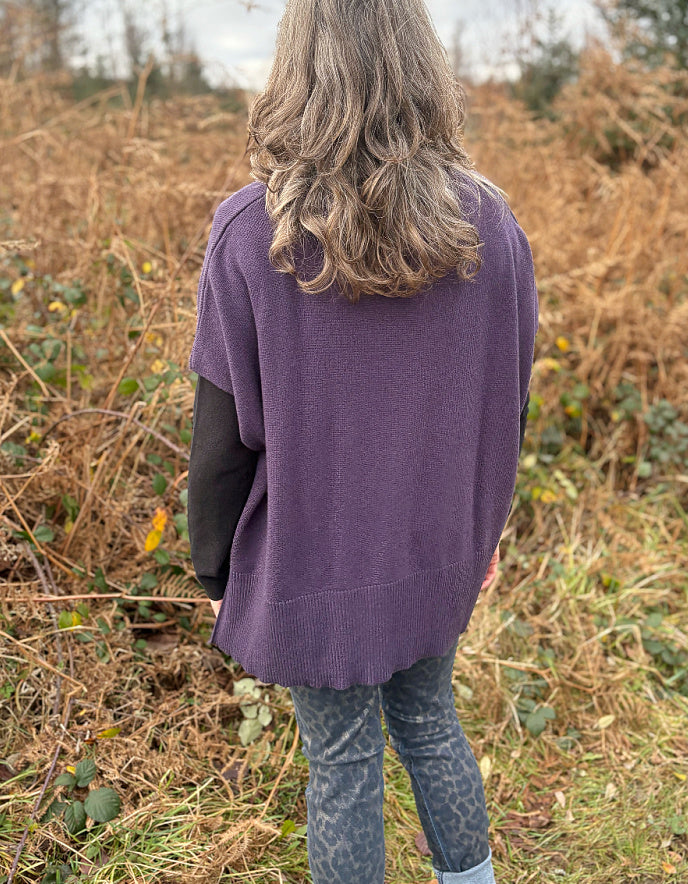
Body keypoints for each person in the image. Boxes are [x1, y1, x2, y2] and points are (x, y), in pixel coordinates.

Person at [186, 0, 539, 881]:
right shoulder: (488, 229)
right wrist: (481, 534)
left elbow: (222, 443)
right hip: (436, 553)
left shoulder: (250, 236)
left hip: (315, 570)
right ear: (422, 66)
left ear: (297, 69)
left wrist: (216, 568)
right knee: (430, 719)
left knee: (342, 771)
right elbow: (506, 404)